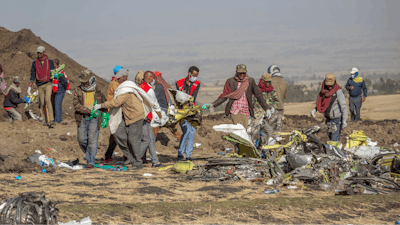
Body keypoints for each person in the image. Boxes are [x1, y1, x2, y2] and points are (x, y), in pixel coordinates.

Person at [94, 69, 154, 169]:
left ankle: (137, 162)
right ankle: (130, 156)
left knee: (133, 139)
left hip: (135, 116)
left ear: (123, 78)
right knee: (118, 133)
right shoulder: (124, 87)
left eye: (118, 79)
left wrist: (101, 105)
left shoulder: (126, 89)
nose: (117, 81)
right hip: (126, 116)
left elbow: (116, 103)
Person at [203, 64, 271, 130]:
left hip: (246, 110)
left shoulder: (250, 81)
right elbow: (225, 96)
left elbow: (258, 95)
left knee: (244, 131)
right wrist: (213, 104)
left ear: (246, 73)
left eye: (243, 73)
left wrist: (266, 108)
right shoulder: (230, 81)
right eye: (240, 73)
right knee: (238, 130)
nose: (242, 75)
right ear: (236, 72)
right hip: (234, 110)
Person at [73, 69, 106, 168]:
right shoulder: (78, 90)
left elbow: (104, 102)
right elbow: (75, 104)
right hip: (82, 117)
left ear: (91, 80)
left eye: (86, 82)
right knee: (82, 139)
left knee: (92, 140)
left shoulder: (97, 90)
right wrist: (88, 111)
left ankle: (90, 161)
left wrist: (105, 114)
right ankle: (89, 153)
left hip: (94, 119)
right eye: (83, 82)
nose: (85, 84)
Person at [311, 73, 348, 141]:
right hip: (328, 120)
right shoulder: (324, 92)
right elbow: (322, 103)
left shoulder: (338, 92)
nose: (329, 87)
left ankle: (334, 151)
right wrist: (315, 109)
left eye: (331, 85)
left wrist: (344, 120)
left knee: (334, 141)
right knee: (330, 139)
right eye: (328, 85)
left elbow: (343, 106)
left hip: (336, 120)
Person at [175, 66, 201, 161]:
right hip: (182, 110)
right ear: (189, 73)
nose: (195, 77)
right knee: (186, 131)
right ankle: (180, 153)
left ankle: (188, 155)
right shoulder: (179, 83)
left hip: (192, 110)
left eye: (196, 76)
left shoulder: (197, 84)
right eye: (194, 75)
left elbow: (193, 97)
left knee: (192, 132)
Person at [139, 71, 163, 167]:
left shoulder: (140, 87)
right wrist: (161, 116)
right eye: (153, 78)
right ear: (150, 79)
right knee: (146, 140)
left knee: (151, 139)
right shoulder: (149, 90)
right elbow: (155, 104)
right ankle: (135, 158)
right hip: (144, 118)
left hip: (141, 117)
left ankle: (155, 161)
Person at [152, 71, 182, 141]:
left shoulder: (159, 86)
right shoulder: (166, 85)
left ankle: (150, 147)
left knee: (154, 130)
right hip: (169, 111)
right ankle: (185, 144)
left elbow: (153, 98)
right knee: (174, 130)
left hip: (162, 112)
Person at [29, 46, 55, 126]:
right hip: (40, 84)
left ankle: (51, 119)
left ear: (44, 52)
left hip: (48, 83)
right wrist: (31, 81)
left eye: (40, 52)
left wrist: (53, 76)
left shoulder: (49, 60)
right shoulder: (35, 62)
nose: (39, 54)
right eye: (38, 52)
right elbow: (33, 73)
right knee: (42, 102)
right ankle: (44, 119)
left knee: (48, 99)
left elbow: (53, 71)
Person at [104, 65, 124, 163]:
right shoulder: (115, 84)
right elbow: (119, 96)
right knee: (115, 134)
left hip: (118, 110)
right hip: (115, 110)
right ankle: (108, 155)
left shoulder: (116, 83)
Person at [253, 73, 279, 142]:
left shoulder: (272, 90)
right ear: (263, 81)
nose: (268, 83)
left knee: (269, 131)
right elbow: (253, 102)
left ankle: (267, 147)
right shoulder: (257, 90)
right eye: (267, 81)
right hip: (258, 115)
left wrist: (273, 106)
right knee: (256, 132)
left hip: (269, 116)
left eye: (269, 81)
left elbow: (276, 100)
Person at [268, 65, 288, 134]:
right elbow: (285, 97)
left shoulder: (270, 81)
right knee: (278, 130)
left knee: (269, 129)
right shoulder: (284, 82)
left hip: (271, 109)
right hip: (281, 109)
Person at [52, 59, 72, 124]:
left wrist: (65, 89)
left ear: (55, 64)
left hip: (60, 91)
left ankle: (57, 121)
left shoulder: (60, 72)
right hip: (57, 91)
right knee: (57, 105)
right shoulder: (54, 71)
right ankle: (58, 120)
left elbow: (65, 81)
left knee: (57, 105)